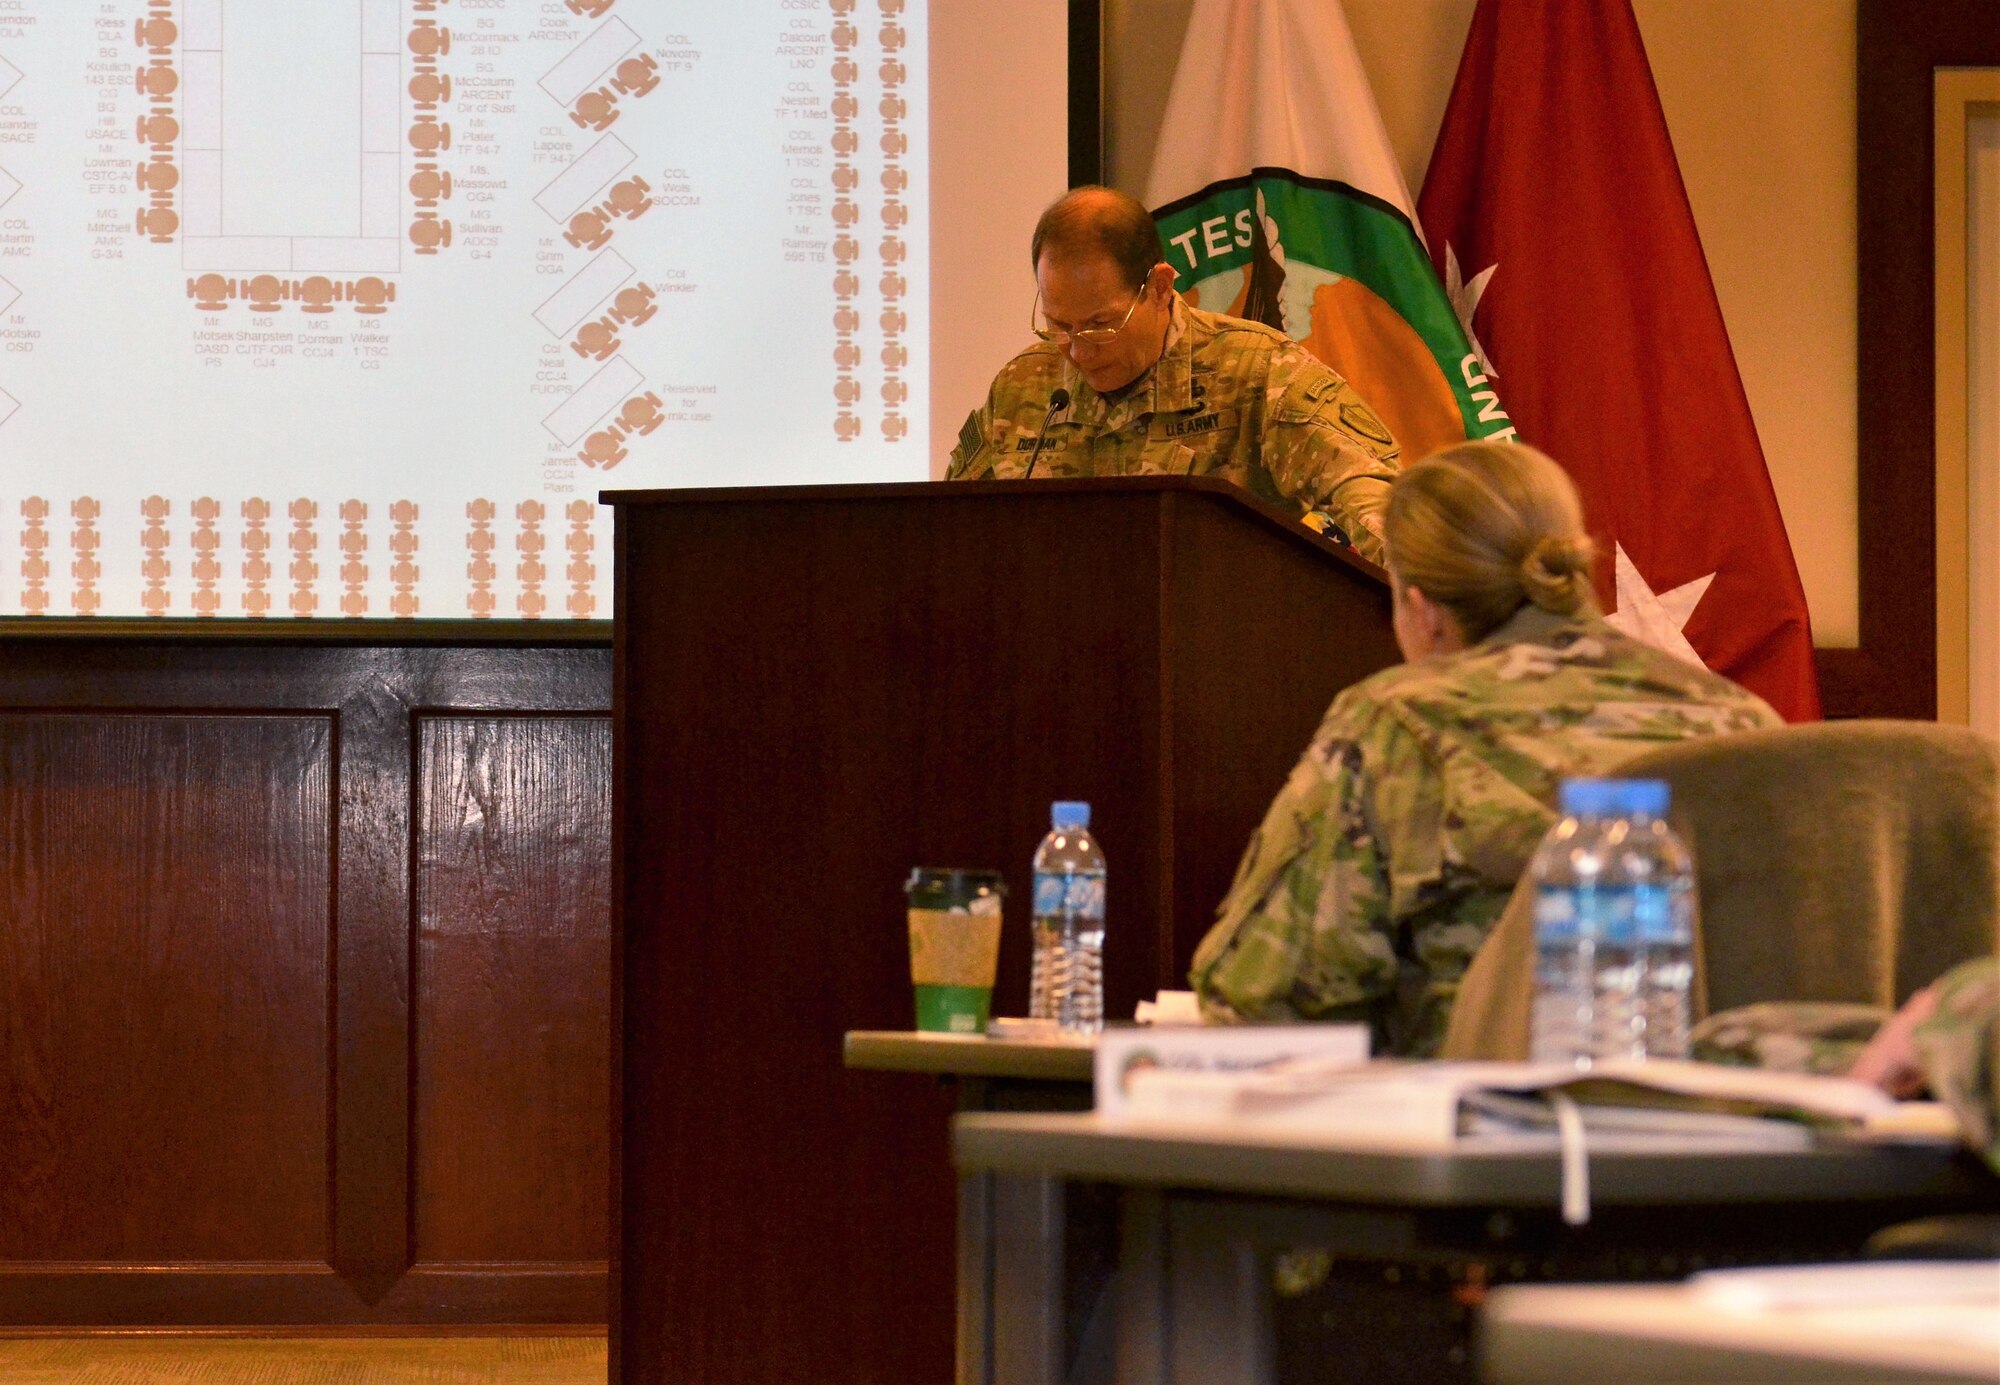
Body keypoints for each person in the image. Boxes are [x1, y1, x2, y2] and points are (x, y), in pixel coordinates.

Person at [1190, 440, 1784, 1055]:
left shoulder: (1399, 720)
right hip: (1716, 1124)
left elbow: (1264, 994)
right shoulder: (1740, 719)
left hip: (1473, 1127)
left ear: (1421, 609)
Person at [947, 186, 1401, 563]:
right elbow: (944, 530)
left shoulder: (1258, 371)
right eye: (1059, 326)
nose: (1080, 350)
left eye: (1102, 325)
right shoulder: (1024, 388)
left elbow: (1379, 505)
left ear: (1160, 288)